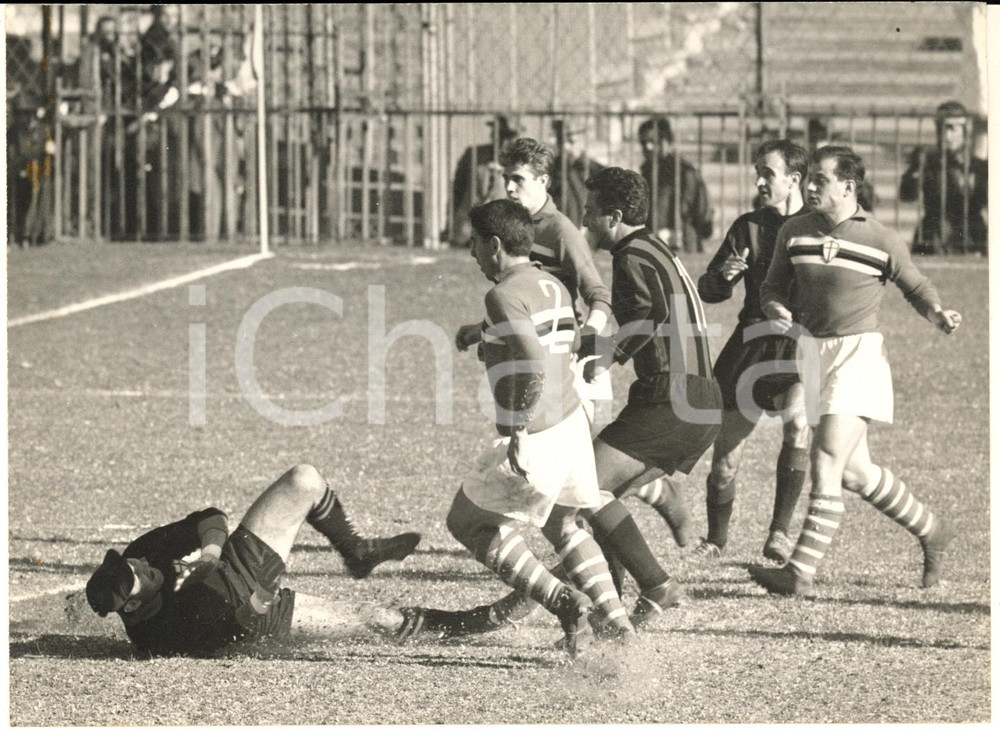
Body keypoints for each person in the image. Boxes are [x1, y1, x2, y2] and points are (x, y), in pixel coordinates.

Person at [750, 145, 960, 596]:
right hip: (812, 355)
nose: (808, 186)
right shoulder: (793, 230)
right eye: (808, 178)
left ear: (848, 186)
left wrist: (937, 313)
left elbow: (916, 285)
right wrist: (775, 305)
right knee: (855, 473)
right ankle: (932, 530)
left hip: (858, 355)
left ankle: (799, 573)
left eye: (820, 180)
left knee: (824, 457)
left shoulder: (878, 237)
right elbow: (771, 285)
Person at [443, 198, 636, 655]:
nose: (471, 254)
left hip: (540, 431)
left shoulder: (502, 294)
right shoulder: (550, 284)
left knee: (466, 523)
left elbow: (531, 363)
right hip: (571, 424)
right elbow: (548, 342)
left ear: (494, 245)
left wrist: (516, 429)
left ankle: (562, 600)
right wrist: (483, 334)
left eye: (474, 244)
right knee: (565, 526)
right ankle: (621, 627)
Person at [84, 464, 422, 657]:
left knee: (303, 479)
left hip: (239, 558)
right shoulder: (163, 635)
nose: (140, 564)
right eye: (134, 576)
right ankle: (469, 624)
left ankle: (358, 553)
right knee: (382, 619)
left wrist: (211, 553)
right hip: (253, 610)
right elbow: (239, 628)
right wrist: (264, 593)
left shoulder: (141, 553)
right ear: (132, 607)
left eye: (129, 564)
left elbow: (210, 518)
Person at [682, 139, 812, 563]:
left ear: (793, 179)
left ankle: (778, 534)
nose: (758, 181)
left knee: (797, 426)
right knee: (724, 465)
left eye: (767, 174)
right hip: (750, 347)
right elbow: (709, 290)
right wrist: (722, 275)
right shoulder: (747, 226)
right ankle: (716, 541)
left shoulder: (818, 227)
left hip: (798, 347)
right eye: (757, 172)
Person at [455, 137, 615, 426]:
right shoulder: (513, 225)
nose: (509, 187)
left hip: (560, 354)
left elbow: (600, 296)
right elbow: (523, 303)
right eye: (506, 178)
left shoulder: (560, 231)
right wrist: (483, 330)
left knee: (558, 443)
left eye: (518, 179)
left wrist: (585, 340)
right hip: (531, 350)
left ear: (543, 180)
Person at [899, 100, 987, 255]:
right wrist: (915, 171)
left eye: (952, 129)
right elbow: (907, 196)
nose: (946, 135)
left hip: (971, 235)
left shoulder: (978, 166)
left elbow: (986, 201)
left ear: (965, 130)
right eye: (940, 129)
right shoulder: (927, 161)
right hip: (934, 234)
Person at [638, 117, 714, 253]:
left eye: (653, 142)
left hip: (683, 242)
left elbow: (702, 210)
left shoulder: (684, 171)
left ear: (667, 142)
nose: (648, 147)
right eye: (643, 143)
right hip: (653, 241)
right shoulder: (646, 171)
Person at [446, 114, 521, 247]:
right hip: (468, 230)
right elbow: (457, 190)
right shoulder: (474, 155)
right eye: (497, 134)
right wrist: (450, 223)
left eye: (507, 136)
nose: (502, 141)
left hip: (502, 233)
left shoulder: (519, 163)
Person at [549, 118, 605, 228]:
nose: (565, 147)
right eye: (561, 141)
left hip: (587, 228)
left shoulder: (592, 168)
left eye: (571, 141)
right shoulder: (552, 168)